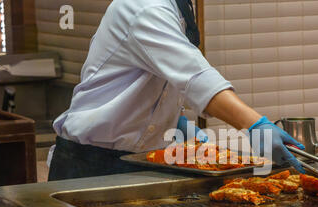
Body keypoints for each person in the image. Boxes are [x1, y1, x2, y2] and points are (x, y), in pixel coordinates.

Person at [48, 0, 304, 181]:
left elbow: (162, 79)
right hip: (89, 165)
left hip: (135, 161)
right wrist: (255, 125)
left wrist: (172, 121)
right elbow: (194, 76)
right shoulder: (143, 6)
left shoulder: (177, 8)